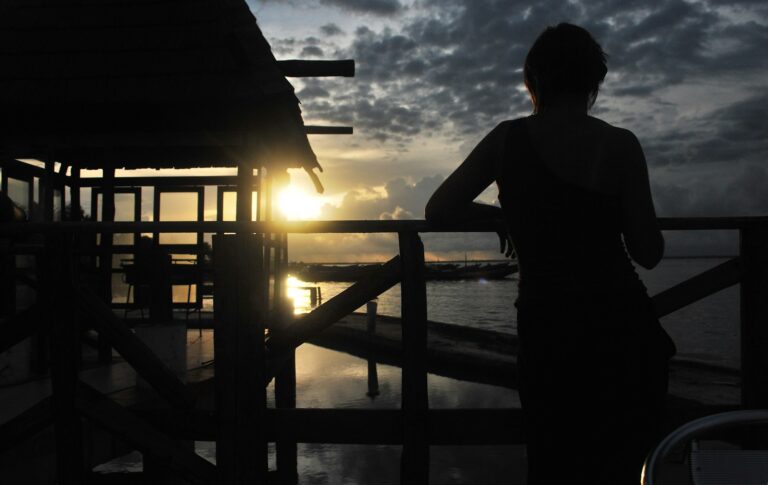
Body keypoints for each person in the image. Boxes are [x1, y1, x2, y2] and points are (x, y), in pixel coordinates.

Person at [425, 23, 676, 484]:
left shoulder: (506, 140)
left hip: (547, 332)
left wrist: (503, 216)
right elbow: (649, 252)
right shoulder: (619, 145)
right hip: (621, 330)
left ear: (534, 80)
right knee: (627, 465)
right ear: (592, 82)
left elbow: (438, 208)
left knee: (552, 462)